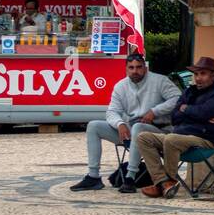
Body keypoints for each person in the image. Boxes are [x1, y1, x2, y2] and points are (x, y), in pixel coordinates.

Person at [70, 52, 181, 193]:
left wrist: (155, 111)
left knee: (138, 127)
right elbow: (111, 111)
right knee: (94, 126)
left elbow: (177, 99)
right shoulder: (120, 86)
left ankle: (130, 177)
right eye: (131, 67)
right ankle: (93, 177)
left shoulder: (160, 81)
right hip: (131, 130)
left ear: (145, 68)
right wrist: (120, 124)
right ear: (126, 69)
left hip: (159, 130)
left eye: (139, 67)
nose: (135, 71)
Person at [139, 56, 214, 198]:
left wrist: (186, 109)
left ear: (213, 75)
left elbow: (204, 112)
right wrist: (199, 115)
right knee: (143, 138)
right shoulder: (189, 91)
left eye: (203, 74)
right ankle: (162, 182)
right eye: (196, 74)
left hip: (204, 140)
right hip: (180, 136)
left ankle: (170, 181)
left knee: (171, 139)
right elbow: (175, 118)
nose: (198, 78)